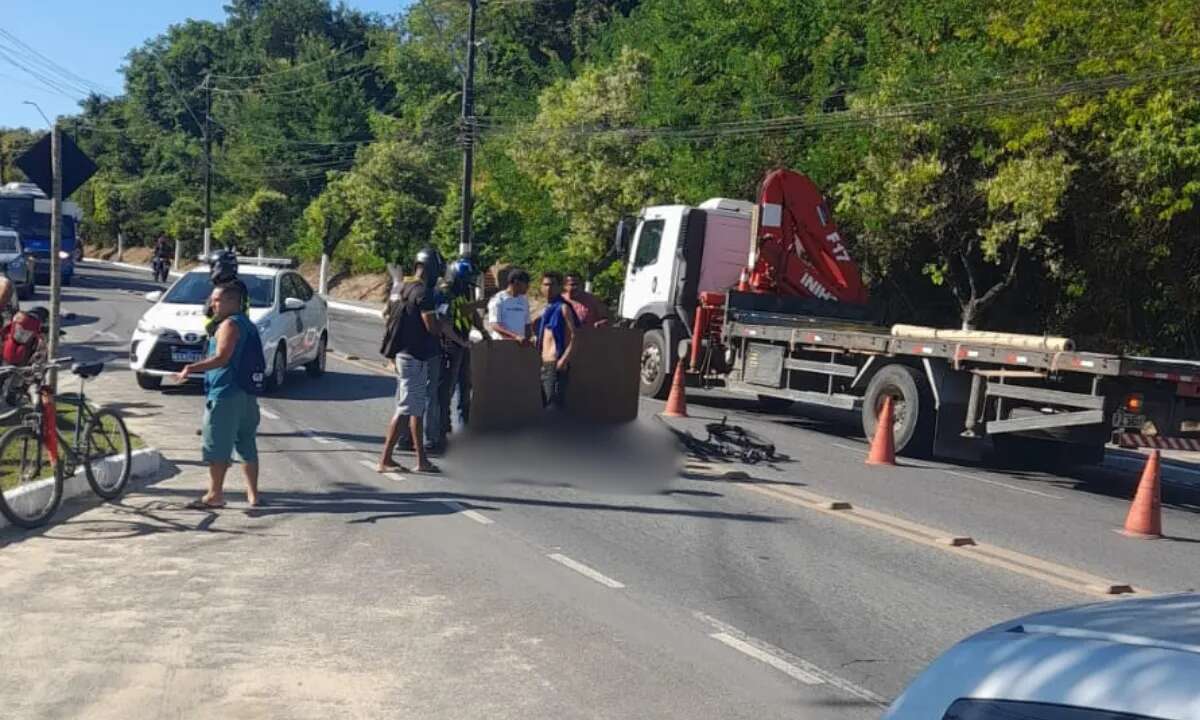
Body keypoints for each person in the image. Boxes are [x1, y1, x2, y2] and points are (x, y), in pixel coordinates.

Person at [176, 284, 261, 508]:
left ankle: (215, 495)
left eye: (217, 300)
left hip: (225, 393)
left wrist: (191, 368)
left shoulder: (229, 325)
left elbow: (222, 358)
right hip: (247, 394)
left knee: (217, 446)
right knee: (247, 443)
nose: (212, 304)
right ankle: (253, 495)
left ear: (233, 302)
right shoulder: (249, 325)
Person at [378, 248, 442, 474]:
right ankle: (386, 459)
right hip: (414, 356)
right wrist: (441, 322)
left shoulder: (403, 287)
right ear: (429, 268)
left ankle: (420, 459)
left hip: (403, 355)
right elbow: (431, 327)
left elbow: (387, 314)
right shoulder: (423, 293)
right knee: (407, 408)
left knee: (413, 408)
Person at [437, 258, 489, 443]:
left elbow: (470, 312)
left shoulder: (464, 293)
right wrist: (460, 341)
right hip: (450, 346)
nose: (467, 285)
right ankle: (442, 428)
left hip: (463, 344)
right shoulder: (445, 293)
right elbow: (444, 324)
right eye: (465, 281)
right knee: (446, 391)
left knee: (465, 388)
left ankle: (465, 428)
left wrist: (483, 331)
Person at [536, 271, 579, 408]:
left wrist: (563, 360)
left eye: (553, 285)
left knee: (552, 407)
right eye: (546, 285)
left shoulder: (563, 307)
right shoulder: (546, 309)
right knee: (542, 404)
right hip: (543, 363)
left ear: (561, 287)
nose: (549, 288)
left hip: (556, 363)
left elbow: (574, 336)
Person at [487, 269, 532, 343]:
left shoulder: (524, 300)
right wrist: (515, 337)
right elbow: (494, 325)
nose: (528, 287)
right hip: (502, 344)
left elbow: (527, 324)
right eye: (526, 284)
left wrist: (528, 338)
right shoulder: (498, 299)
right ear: (516, 282)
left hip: (519, 346)